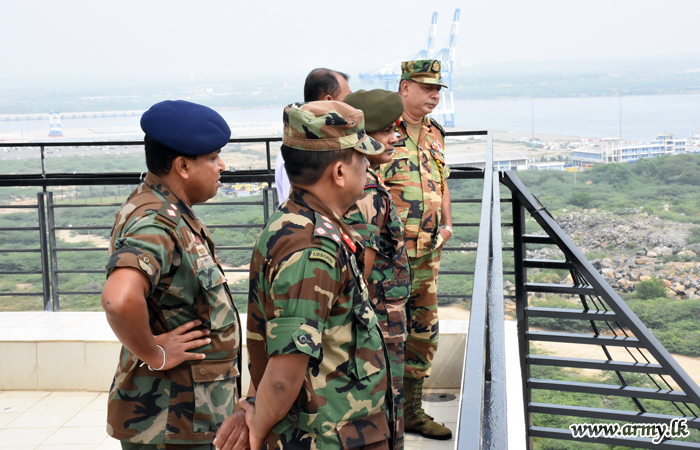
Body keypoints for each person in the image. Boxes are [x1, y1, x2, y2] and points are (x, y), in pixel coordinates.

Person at [242, 101, 392, 449]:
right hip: (328, 436)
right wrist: (256, 433)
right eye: (362, 160)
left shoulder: (295, 219)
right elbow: (284, 373)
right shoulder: (313, 249)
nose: (368, 169)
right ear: (339, 172)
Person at [102, 100, 247, 450]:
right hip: (172, 420)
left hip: (189, 412)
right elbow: (118, 299)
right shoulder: (156, 223)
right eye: (213, 158)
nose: (222, 166)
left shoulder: (164, 207)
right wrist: (155, 352)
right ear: (182, 166)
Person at [379, 60, 453, 441]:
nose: (434, 95)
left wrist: (448, 224)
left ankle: (412, 412)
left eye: (438, 89)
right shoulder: (382, 131)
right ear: (404, 87)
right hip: (390, 256)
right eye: (427, 88)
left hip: (427, 254)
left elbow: (442, 181)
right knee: (388, 332)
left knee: (424, 332)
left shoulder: (435, 132)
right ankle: (383, 415)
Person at [343, 89, 410, 449]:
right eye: (385, 131)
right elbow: (360, 272)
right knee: (387, 406)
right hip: (379, 323)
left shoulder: (371, 182)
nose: (394, 137)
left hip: (384, 319)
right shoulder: (367, 193)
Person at [274, 69, 351, 202]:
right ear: (328, 101)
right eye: (347, 98)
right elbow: (295, 204)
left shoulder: (328, 143)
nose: (351, 105)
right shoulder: (299, 150)